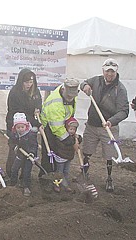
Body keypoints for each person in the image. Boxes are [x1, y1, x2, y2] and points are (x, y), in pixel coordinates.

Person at [80, 58, 129, 192]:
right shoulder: (96, 80)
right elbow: (83, 83)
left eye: (112, 72)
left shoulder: (120, 89)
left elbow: (124, 111)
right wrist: (85, 86)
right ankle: (84, 173)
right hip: (92, 125)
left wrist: (111, 121)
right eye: (107, 71)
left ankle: (109, 178)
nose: (110, 74)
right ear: (103, 70)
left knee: (109, 155)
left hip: (108, 127)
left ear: (116, 72)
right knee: (87, 151)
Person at [39, 78, 80, 191]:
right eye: (69, 96)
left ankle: (59, 178)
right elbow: (56, 127)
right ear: (63, 89)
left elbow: (69, 113)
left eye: (73, 96)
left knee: (61, 153)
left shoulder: (71, 95)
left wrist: (72, 133)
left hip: (63, 125)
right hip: (49, 128)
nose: (71, 98)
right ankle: (45, 180)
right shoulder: (55, 103)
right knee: (49, 155)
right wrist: (69, 140)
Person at [5, 69, 42, 178]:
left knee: (28, 151)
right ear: (21, 81)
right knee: (16, 150)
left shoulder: (35, 91)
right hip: (16, 125)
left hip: (29, 126)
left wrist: (38, 109)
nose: (29, 85)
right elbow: (16, 111)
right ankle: (11, 174)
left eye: (31, 82)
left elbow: (39, 102)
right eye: (26, 82)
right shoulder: (15, 93)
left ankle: (24, 176)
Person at [9, 113, 38, 197]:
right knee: (14, 169)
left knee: (26, 172)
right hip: (19, 155)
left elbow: (34, 145)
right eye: (18, 127)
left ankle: (26, 186)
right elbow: (11, 142)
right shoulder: (15, 135)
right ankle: (13, 185)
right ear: (15, 128)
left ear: (26, 126)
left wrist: (32, 153)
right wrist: (14, 147)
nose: (20, 129)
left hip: (29, 156)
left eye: (22, 127)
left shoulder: (30, 135)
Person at [50, 116, 82, 192]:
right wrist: (72, 141)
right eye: (70, 129)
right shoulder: (61, 137)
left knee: (66, 172)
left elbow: (79, 141)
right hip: (61, 157)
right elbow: (62, 145)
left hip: (68, 157)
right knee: (59, 172)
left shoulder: (74, 137)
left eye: (74, 130)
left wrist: (78, 138)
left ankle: (65, 184)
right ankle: (57, 185)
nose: (72, 131)